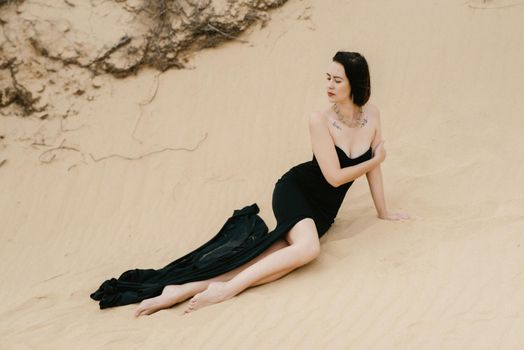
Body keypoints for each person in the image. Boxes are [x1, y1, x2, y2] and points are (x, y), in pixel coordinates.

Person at [91, 51, 410, 316]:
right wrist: (376, 159)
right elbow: (336, 177)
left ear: (355, 83)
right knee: (308, 248)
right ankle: (226, 291)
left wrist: (383, 212)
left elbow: (372, 173)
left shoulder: (373, 114)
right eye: (327, 77)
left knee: (276, 259)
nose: (328, 85)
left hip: (324, 209)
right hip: (297, 192)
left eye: (336, 80)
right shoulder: (319, 120)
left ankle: (182, 289)